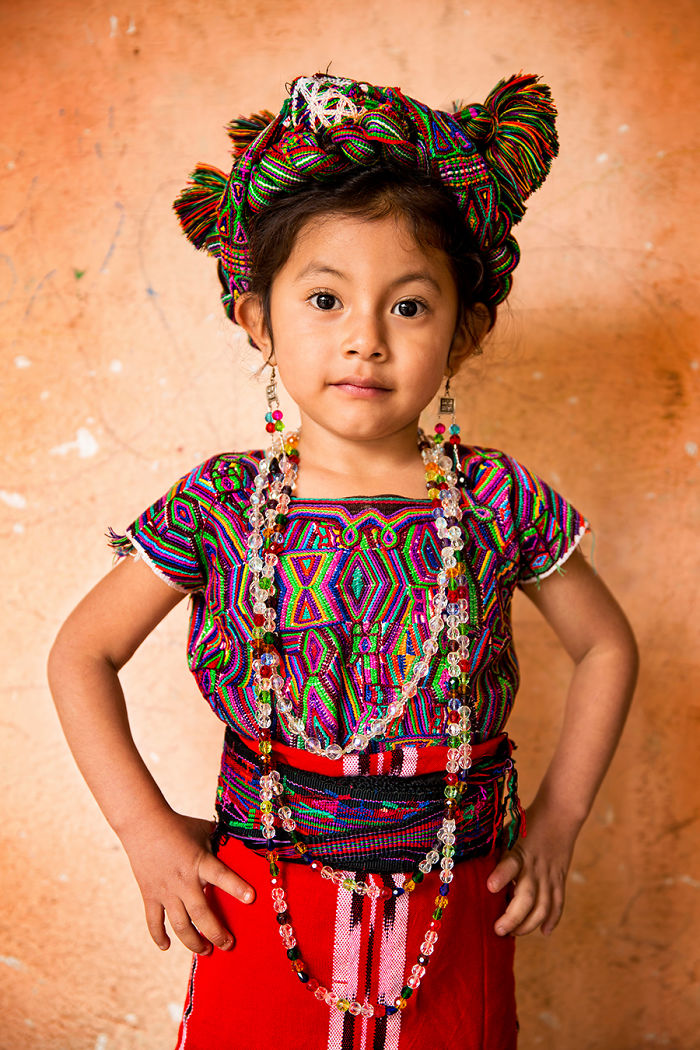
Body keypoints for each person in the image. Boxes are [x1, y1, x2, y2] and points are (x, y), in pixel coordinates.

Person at [47, 71, 639, 1050]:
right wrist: (142, 830)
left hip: (457, 915)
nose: (364, 339)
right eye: (324, 298)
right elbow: (79, 654)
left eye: (408, 307)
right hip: (264, 903)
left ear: (465, 329)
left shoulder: (493, 498)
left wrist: (560, 821)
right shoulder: (221, 505)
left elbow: (606, 646)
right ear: (257, 319)